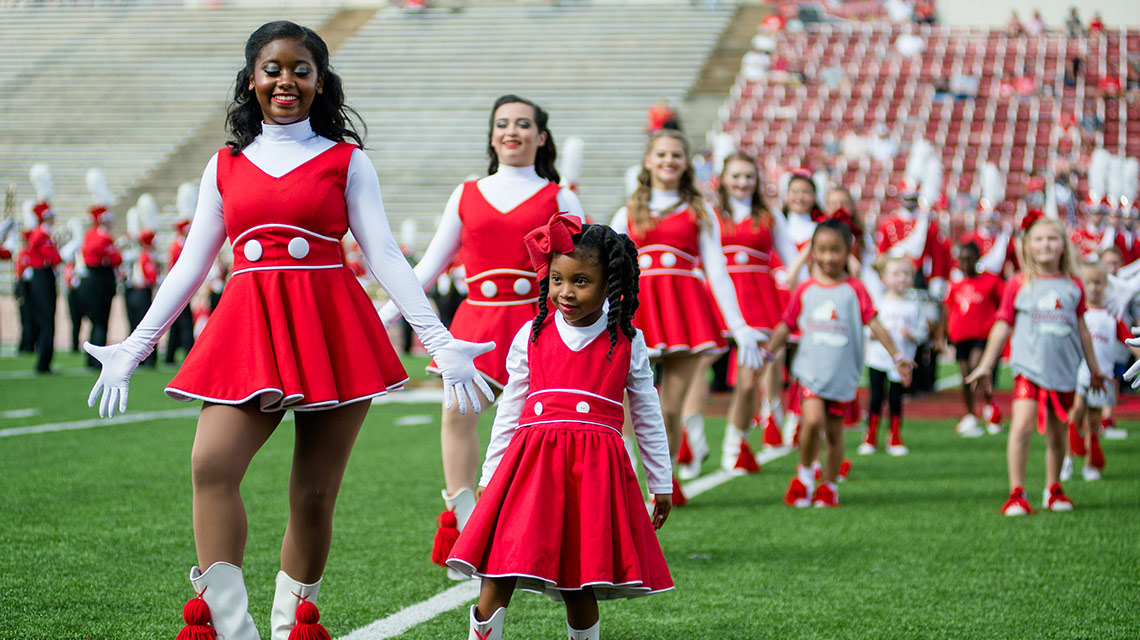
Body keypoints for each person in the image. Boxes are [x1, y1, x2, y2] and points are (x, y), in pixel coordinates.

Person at [83, 21, 492, 639]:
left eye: (301, 69)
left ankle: (290, 625)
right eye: (272, 68)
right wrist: (134, 346)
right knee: (211, 467)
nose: (286, 80)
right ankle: (234, 626)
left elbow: (383, 253)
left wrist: (438, 339)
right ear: (251, 78)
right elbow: (193, 262)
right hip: (249, 326)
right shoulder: (224, 165)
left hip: (332, 326)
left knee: (313, 495)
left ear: (319, 81)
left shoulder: (348, 161)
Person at [378, 94, 585, 578]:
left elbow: (582, 271)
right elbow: (428, 265)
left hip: (538, 324)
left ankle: (538, 533)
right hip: (477, 322)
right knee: (457, 417)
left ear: (541, 136)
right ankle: (468, 531)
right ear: (492, 135)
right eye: (502, 124)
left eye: (523, 124)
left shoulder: (561, 196)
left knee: (540, 433)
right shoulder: (466, 191)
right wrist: (382, 315)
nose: (511, 132)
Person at [448, 216, 673, 640]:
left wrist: (661, 481)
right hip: (527, 469)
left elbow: (647, 414)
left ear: (611, 284)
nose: (566, 292)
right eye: (557, 279)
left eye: (581, 281)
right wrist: (489, 474)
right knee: (498, 567)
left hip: (593, 474)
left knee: (579, 578)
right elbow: (509, 410)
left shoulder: (628, 340)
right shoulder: (530, 334)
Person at [611, 130, 764, 505]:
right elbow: (610, 269)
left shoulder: (700, 211)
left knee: (671, 406)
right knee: (626, 400)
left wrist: (740, 326)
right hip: (638, 307)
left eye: (676, 155)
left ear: (687, 163)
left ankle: (664, 478)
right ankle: (630, 472)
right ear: (648, 160)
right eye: (661, 154)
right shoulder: (627, 211)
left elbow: (717, 270)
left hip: (683, 309)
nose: (669, 161)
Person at [764, 220, 913, 508]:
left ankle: (828, 485)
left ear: (848, 252)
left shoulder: (855, 289)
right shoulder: (805, 289)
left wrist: (897, 356)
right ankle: (805, 476)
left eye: (836, 250)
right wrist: (768, 354)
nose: (828, 257)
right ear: (812, 252)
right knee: (812, 421)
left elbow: (875, 322)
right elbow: (785, 324)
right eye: (821, 250)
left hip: (842, 374)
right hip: (810, 372)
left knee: (834, 432)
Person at [966, 213, 1105, 515]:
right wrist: (986, 365)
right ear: (1028, 246)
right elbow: (1002, 324)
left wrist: (1094, 369)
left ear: (1063, 247)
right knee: (1021, 428)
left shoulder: (1074, 287)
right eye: (1039, 239)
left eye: (1052, 239)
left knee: (1058, 435)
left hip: (1064, 373)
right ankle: (1017, 492)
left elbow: (1083, 330)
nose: (1045, 244)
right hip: (1028, 371)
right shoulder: (1018, 283)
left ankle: (1053, 489)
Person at [709, 152, 785, 469]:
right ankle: (688, 436)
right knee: (694, 370)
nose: (742, 182)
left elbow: (792, 260)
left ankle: (734, 441)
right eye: (736, 176)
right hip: (717, 297)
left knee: (748, 378)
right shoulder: (709, 215)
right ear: (724, 179)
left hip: (757, 300)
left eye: (748, 176)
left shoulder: (770, 216)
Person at [1063, 261, 1136, 482]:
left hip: (1103, 374)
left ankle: (1090, 463)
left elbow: (1128, 340)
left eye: (1099, 283)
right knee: (1075, 411)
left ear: (1106, 286)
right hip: (1080, 371)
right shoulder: (1078, 313)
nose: (1094, 288)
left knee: (1094, 420)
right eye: (1089, 282)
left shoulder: (1112, 316)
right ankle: (1067, 459)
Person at [859, 255, 927, 456]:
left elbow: (923, 332)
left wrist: (912, 335)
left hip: (902, 361)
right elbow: (866, 324)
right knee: (876, 397)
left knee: (897, 398)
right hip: (878, 359)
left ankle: (895, 435)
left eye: (906, 274)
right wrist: (871, 333)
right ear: (884, 278)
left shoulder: (914, 305)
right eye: (896, 274)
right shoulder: (878, 302)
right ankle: (871, 435)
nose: (902, 279)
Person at [941, 242, 1005, 437]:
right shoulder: (955, 284)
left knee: (975, 367)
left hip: (982, 336)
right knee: (965, 375)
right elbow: (947, 309)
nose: (965, 264)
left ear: (977, 259)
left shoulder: (991, 281)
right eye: (962, 260)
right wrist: (942, 335)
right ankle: (972, 414)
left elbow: (1005, 303)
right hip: (960, 336)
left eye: (969, 259)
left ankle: (988, 406)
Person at [78, 172, 122, 369]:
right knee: (101, 321)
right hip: (100, 280)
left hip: (93, 278)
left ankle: (92, 357)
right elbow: (116, 258)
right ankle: (96, 359)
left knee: (97, 321)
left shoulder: (90, 234)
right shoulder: (103, 237)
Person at [26, 163, 61, 374]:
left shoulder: (42, 233)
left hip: (42, 276)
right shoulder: (41, 234)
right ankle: (43, 362)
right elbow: (53, 257)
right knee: (48, 320)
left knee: (47, 319)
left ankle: (45, 360)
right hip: (42, 277)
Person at [166, 182, 197, 364]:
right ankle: (189, 353)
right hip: (179, 285)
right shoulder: (179, 245)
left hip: (176, 285)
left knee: (177, 323)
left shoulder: (176, 243)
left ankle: (170, 355)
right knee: (185, 323)